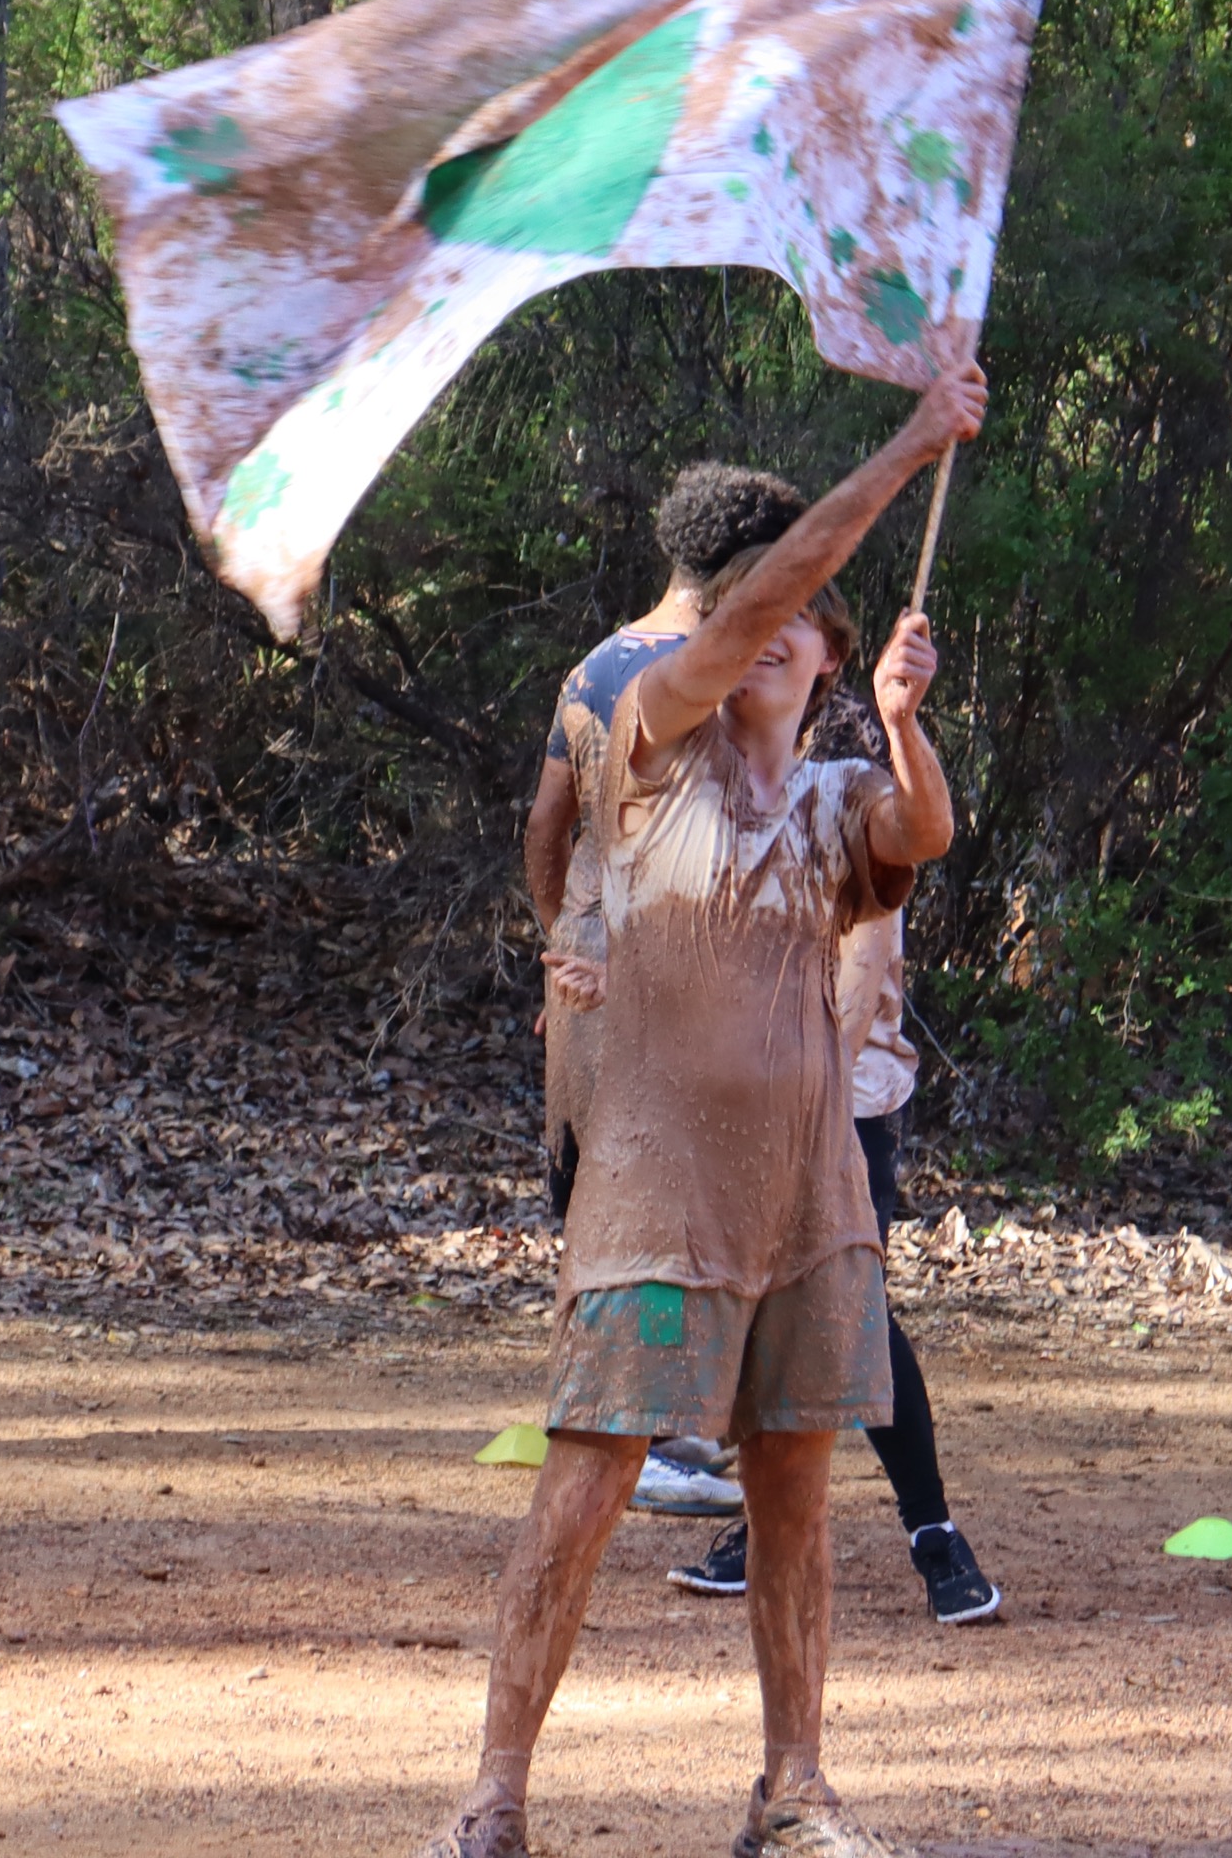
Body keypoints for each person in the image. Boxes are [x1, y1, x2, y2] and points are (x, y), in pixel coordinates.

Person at [416, 364, 981, 1858]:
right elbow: (729, 624)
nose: (770, 637)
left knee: (795, 1488)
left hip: (806, 1196)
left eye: (804, 624)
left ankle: (793, 1790)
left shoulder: (843, 790)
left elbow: (919, 835)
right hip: (658, 1186)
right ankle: (495, 1796)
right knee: (589, 1474)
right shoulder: (656, 743)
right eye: (751, 618)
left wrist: (911, 725)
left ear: (835, 654)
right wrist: (912, 443)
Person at [668, 683, 1001, 1625]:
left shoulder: (843, 804)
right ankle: (764, 1526)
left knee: (854, 1314)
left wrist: (815, 1117)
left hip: (841, 1107)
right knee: (772, 1312)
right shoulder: (742, 806)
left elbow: (857, 986)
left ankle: (935, 1536)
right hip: (764, 1103)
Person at [527, 463, 810, 1526]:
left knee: (603, 1198)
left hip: (592, 955)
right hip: (675, 969)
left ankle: (622, 1424)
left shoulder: (596, 666)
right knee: (682, 1195)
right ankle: (667, 1437)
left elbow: (547, 824)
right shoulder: (714, 676)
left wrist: (562, 943)